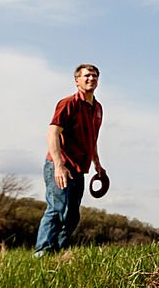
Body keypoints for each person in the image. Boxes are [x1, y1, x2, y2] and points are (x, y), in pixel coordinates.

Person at [33, 64, 105, 256]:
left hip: (79, 168)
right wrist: (58, 165)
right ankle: (42, 253)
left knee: (72, 215)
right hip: (60, 165)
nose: (91, 79)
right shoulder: (68, 103)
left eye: (95, 76)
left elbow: (92, 139)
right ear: (77, 80)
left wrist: (97, 164)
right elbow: (52, 133)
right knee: (57, 209)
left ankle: (57, 252)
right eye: (87, 76)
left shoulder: (97, 108)